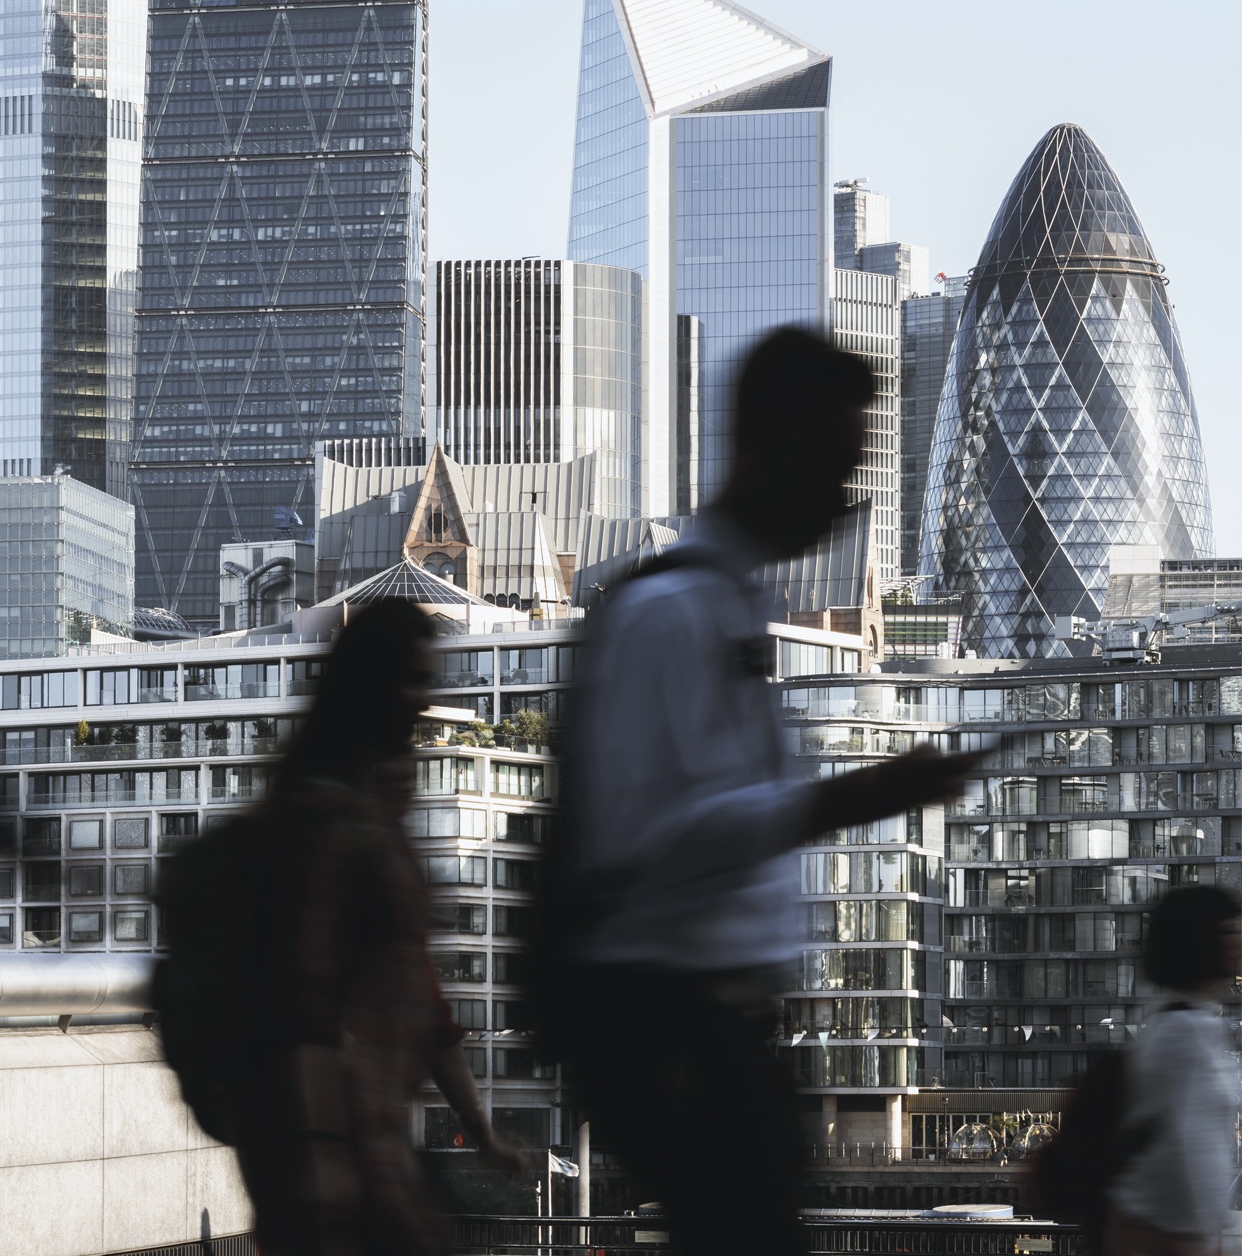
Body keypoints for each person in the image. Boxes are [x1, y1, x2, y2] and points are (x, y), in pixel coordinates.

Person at [553, 327, 990, 1256]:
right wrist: (852, 799)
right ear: (769, 449)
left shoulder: (729, 606)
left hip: (720, 1035)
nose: (844, 499)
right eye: (834, 464)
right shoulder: (669, 614)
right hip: (674, 1037)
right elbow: (649, 840)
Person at [227, 599, 532, 1256]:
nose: (423, 701)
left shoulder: (362, 816)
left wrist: (483, 1135)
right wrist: (323, 1157)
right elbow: (300, 1002)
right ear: (368, 688)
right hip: (343, 1147)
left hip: (368, 1140)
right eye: (412, 680)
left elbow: (425, 1006)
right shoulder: (325, 821)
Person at [1105, 884, 1242, 1256]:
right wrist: (1197, 1241)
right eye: (1229, 930)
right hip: (1168, 1238)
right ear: (1202, 942)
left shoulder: (1185, 1023)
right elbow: (1184, 1154)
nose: (1239, 941)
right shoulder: (1183, 1033)